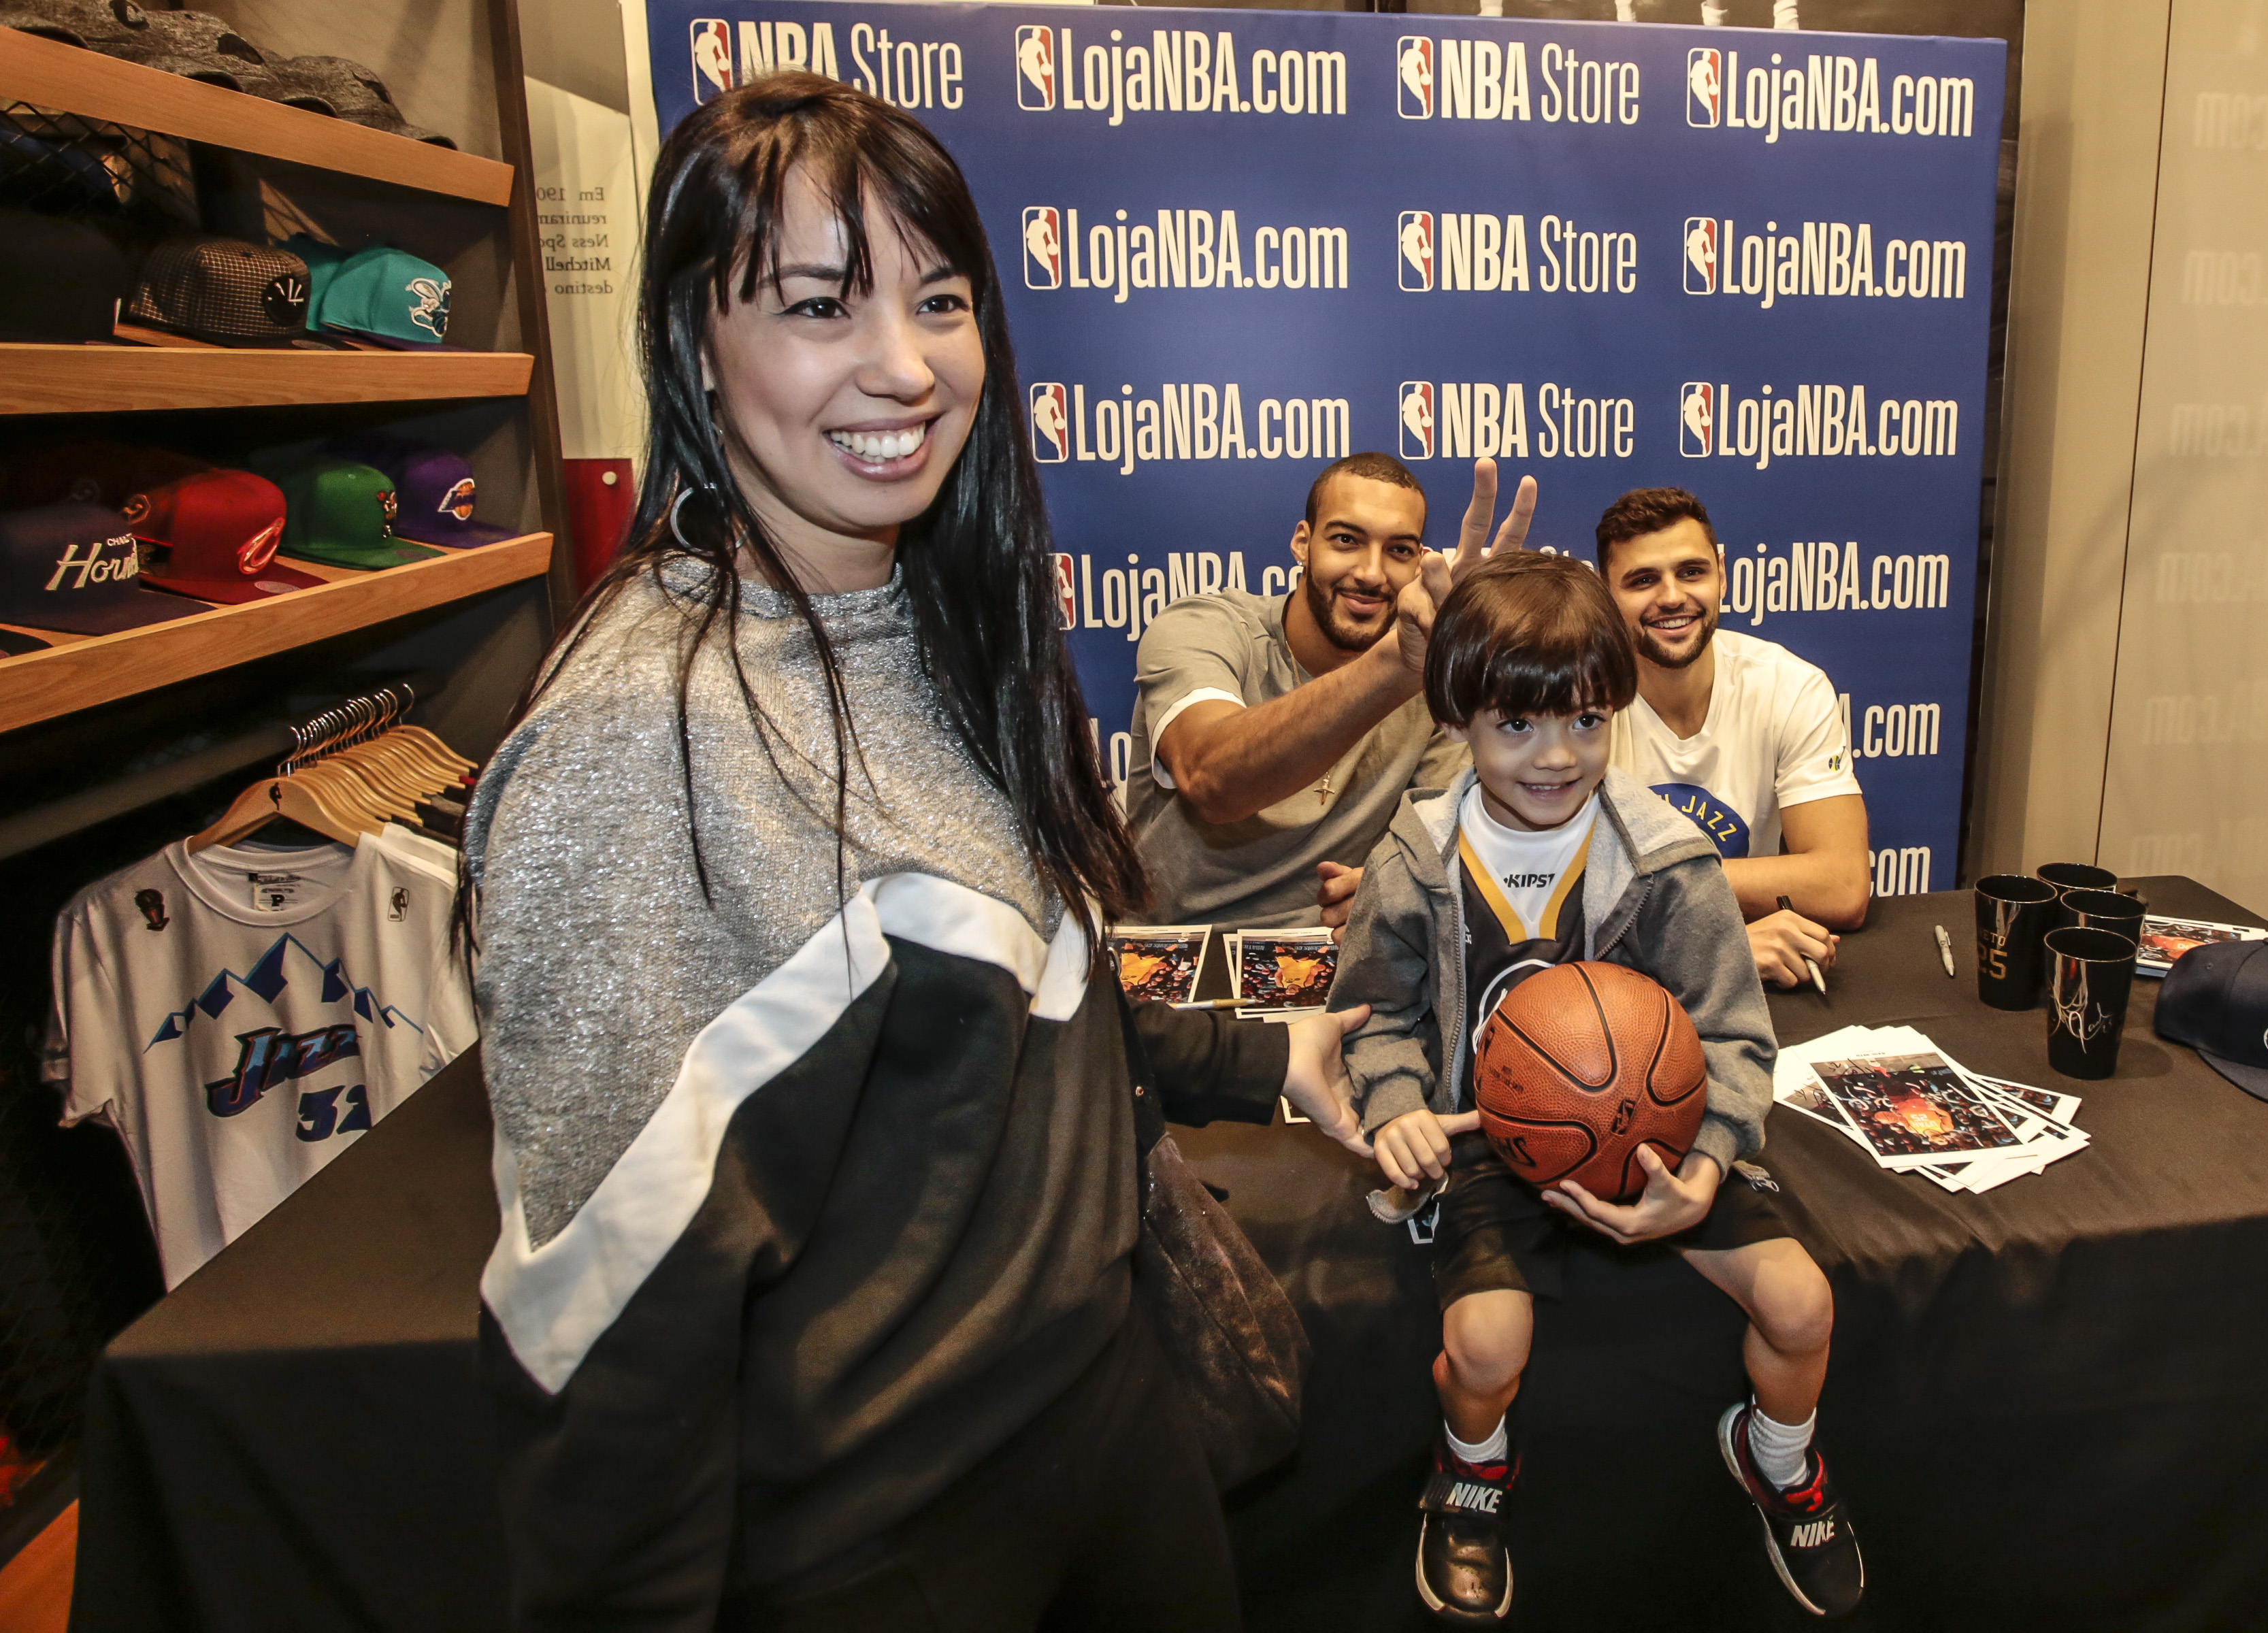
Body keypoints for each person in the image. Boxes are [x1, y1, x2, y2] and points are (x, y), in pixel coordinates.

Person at [463, 76, 1373, 1631]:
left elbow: (1017, 1014)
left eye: (938, 300)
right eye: (822, 304)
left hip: (1104, 1422)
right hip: (884, 1536)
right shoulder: (636, 750)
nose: (905, 365)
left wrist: (1263, 1052)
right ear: (696, 341)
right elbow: (607, 1328)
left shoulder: (937, 615)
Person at [1327, 553, 1863, 1626]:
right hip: (1484, 1139)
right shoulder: (1417, 859)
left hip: (1651, 1135)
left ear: (1615, 710)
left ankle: (1779, 1456)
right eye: (1515, 726)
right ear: (1458, 720)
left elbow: (1731, 1030)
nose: (1556, 755)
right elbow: (1374, 1017)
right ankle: (1474, 1465)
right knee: (1486, 1349)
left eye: (1582, 720)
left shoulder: (1665, 856)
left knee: (1803, 1305)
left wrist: (1705, 1168)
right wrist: (1395, 1108)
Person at [1123, 452, 1534, 929]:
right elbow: (1212, 780)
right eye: (1346, 540)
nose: (1372, 573)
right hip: (1175, 956)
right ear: (1303, 542)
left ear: (1421, 562)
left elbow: (1441, 844)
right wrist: (1398, 663)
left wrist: (1397, 884)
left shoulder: (1430, 673)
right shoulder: (1205, 626)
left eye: (1399, 550)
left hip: (1346, 961)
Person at [1597, 486, 1871, 990]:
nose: (1673, 596)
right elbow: (1558, 894)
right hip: (1622, 982)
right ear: (1605, 595)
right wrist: (1721, 939)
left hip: (1765, 981)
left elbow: (1843, 885)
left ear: (1722, 574)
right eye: (1642, 580)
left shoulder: (1789, 686)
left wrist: (1640, 883)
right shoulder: (1578, 702)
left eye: (1691, 572)